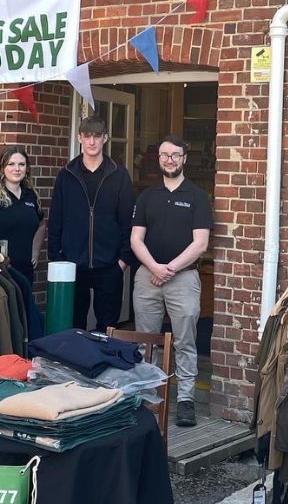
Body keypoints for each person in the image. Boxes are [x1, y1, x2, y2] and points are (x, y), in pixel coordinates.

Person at [130, 135, 213, 427]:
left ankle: (186, 400)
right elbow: (136, 239)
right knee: (146, 341)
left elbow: (200, 243)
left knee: (185, 341)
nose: (169, 160)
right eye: (165, 155)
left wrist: (170, 268)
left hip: (184, 278)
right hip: (147, 277)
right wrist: (154, 266)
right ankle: (147, 396)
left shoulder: (197, 196)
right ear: (159, 159)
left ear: (184, 158)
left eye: (175, 155)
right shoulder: (147, 196)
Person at [47, 113, 135, 331]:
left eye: (97, 136)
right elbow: (56, 219)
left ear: (105, 138)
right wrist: (57, 258)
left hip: (110, 265)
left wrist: (123, 261)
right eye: (88, 136)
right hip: (72, 264)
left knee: (108, 328)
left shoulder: (119, 175)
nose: (92, 141)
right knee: (73, 326)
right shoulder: (66, 175)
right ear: (80, 138)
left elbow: (127, 221)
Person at [0, 147, 46, 284]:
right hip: (0, 271)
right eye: (11, 164)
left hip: (24, 270)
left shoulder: (30, 195)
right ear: (1, 168)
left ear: (27, 168)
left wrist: (35, 252)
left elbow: (42, 224)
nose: (17, 169)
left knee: (23, 305)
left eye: (21, 164)